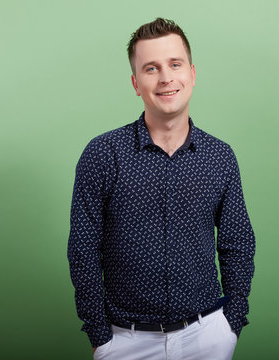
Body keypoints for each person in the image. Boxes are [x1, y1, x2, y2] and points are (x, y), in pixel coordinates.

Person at [67, 18, 255, 360]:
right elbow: (83, 249)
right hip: (126, 342)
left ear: (192, 74)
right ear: (136, 83)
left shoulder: (220, 157)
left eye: (175, 64)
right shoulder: (102, 154)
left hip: (207, 337)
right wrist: (99, 336)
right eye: (151, 68)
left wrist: (232, 325)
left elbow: (237, 242)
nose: (166, 77)